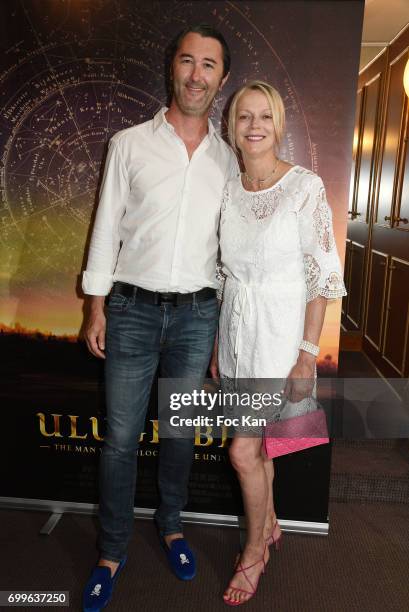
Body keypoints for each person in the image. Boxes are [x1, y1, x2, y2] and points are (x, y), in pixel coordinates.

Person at [81, 24, 237, 612]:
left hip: (199, 316)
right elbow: (104, 230)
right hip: (130, 312)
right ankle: (111, 550)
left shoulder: (230, 160)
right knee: (120, 439)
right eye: (188, 61)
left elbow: (230, 253)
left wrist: (223, 330)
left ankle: (171, 526)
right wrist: (96, 305)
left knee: (178, 434)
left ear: (222, 79)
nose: (197, 75)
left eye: (209, 66)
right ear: (173, 66)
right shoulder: (128, 144)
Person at [211, 80, 346, 606]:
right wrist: (221, 343)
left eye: (264, 116)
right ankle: (268, 525)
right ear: (232, 126)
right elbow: (224, 273)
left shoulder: (305, 187)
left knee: (243, 450)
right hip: (238, 333)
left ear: (279, 124)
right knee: (261, 444)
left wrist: (306, 356)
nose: (254, 126)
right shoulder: (228, 188)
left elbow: (320, 275)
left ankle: (253, 553)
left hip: (283, 334)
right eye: (244, 117)